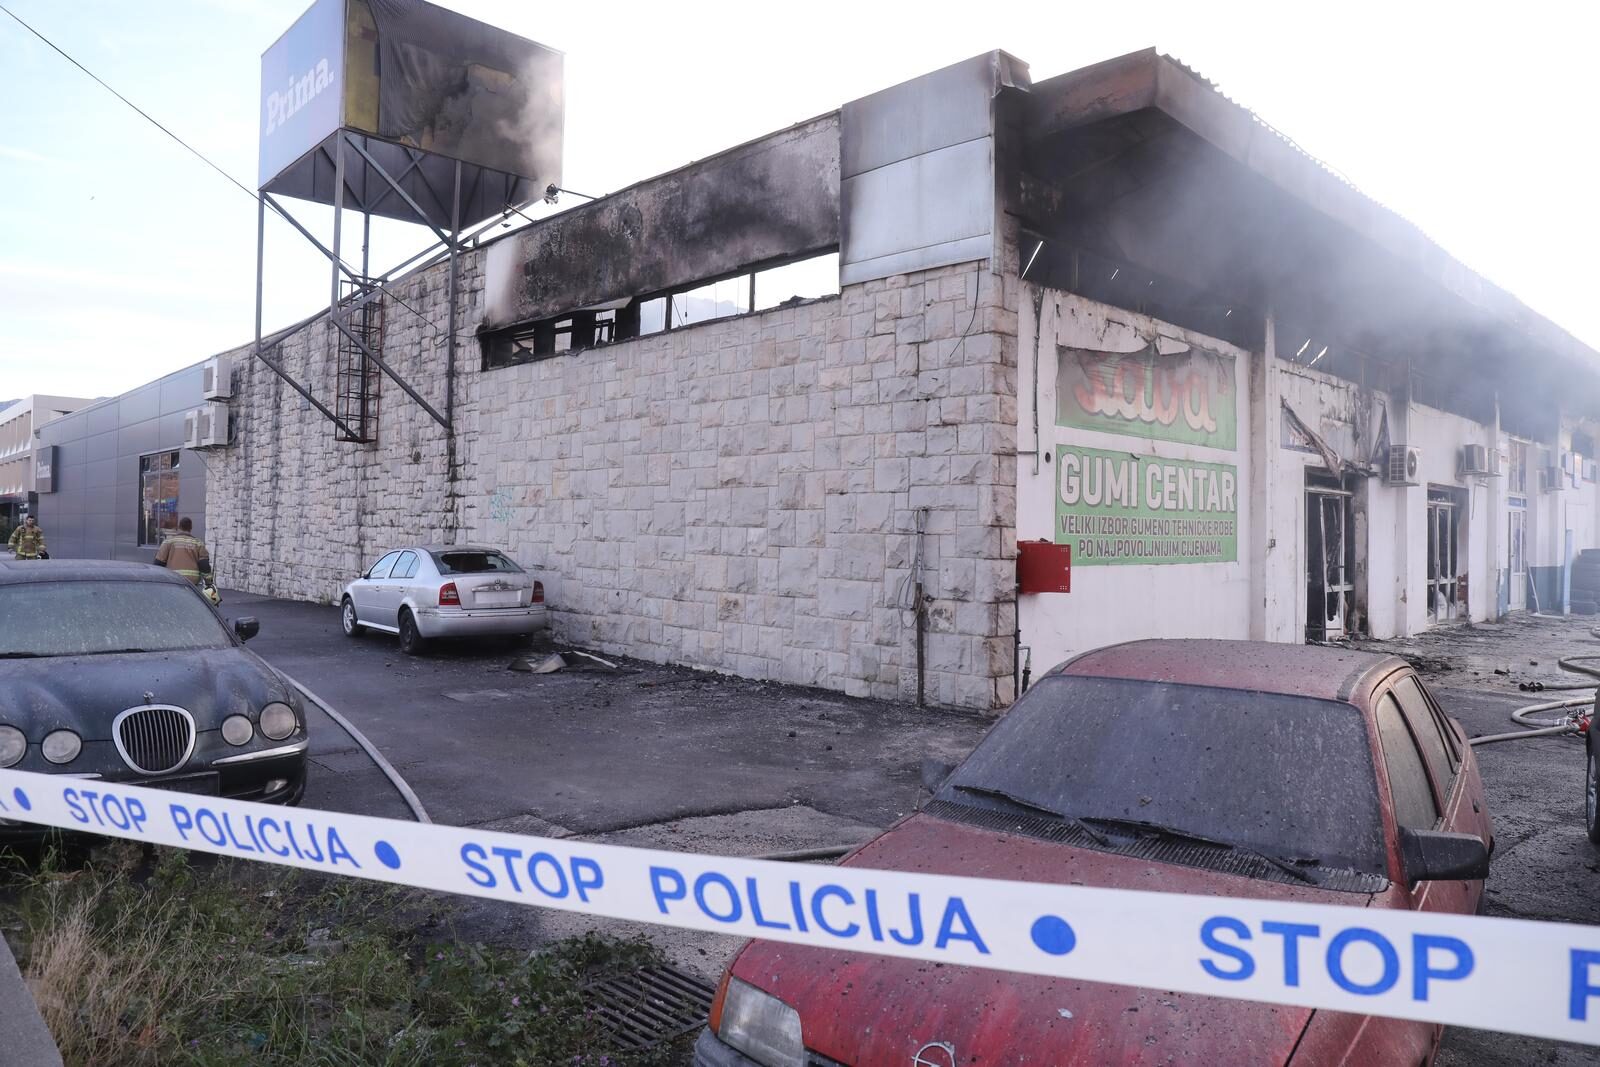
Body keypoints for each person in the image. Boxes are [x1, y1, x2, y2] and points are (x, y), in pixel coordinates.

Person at [154, 517, 211, 587]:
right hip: (192, 582)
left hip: (173, 579)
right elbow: (204, 564)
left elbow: (159, 562)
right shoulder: (198, 543)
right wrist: (209, 582)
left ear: (179, 527)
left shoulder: (169, 542)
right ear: (191, 527)